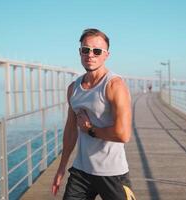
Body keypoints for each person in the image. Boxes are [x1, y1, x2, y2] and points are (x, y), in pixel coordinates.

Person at [51, 28, 136, 200]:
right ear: (80, 52)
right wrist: (61, 168)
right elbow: (70, 130)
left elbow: (124, 134)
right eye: (85, 50)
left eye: (97, 51)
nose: (90, 55)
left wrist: (90, 129)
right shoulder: (73, 88)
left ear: (106, 55)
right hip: (81, 171)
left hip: (112, 173)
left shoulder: (114, 85)